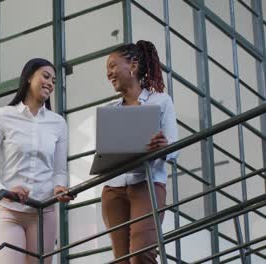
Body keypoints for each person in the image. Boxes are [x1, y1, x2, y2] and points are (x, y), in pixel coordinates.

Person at [0, 58, 73, 264]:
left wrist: (58, 188)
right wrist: (5, 191)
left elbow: (59, 171)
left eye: (54, 80)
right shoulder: (2, 116)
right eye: (45, 76)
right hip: (8, 211)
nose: (50, 83)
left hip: (43, 210)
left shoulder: (58, 123)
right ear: (29, 77)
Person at [101, 40, 179, 263]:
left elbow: (174, 148)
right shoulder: (110, 111)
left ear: (133, 65)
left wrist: (164, 148)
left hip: (148, 183)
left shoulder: (160, 101)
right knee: (122, 260)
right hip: (113, 190)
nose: (109, 74)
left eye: (113, 66)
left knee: (142, 255)